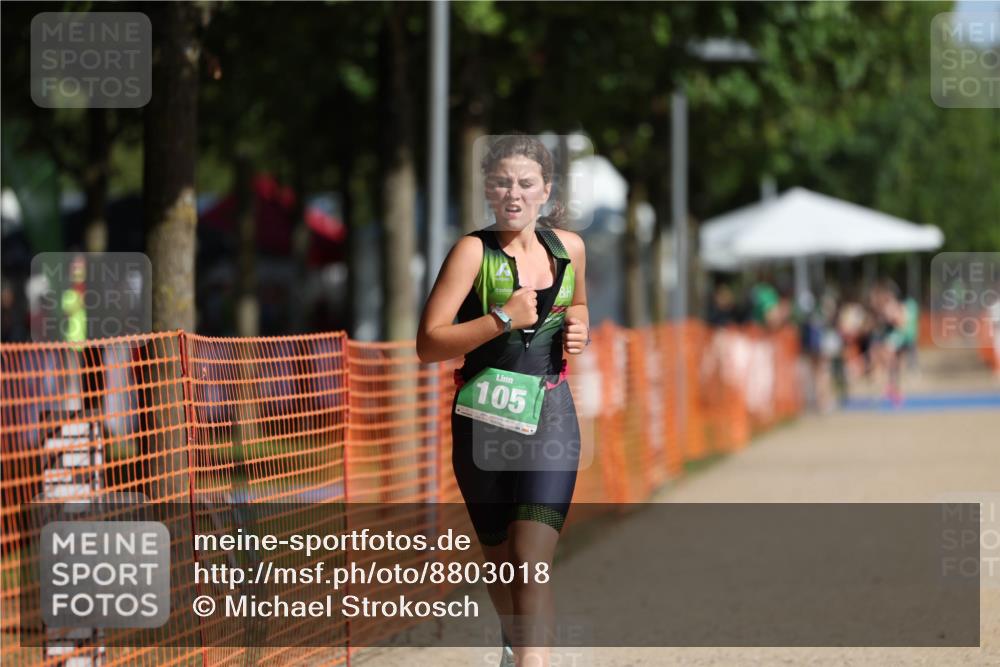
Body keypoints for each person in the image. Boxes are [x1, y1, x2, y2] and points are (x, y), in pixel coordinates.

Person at [417, 134, 589, 667]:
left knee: (527, 557)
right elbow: (428, 343)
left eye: (526, 183)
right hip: (482, 422)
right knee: (500, 565)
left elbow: (578, 305)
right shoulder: (473, 252)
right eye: (502, 182)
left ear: (546, 191)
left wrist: (580, 328)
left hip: (551, 416)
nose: (514, 193)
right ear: (488, 190)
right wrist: (502, 318)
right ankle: (518, 650)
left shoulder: (569, 249)